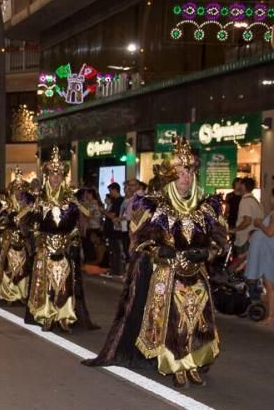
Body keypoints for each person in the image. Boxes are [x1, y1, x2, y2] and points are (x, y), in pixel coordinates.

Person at [84, 138, 226, 387]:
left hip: (196, 276)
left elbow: (219, 241)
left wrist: (207, 253)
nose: (186, 178)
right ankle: (175, 364)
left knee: (196, 321)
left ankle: (192, 362)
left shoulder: (206, 207)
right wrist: (159, 250)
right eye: (181, 173)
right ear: (171, 177)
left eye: (189, 172)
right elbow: (139, 241)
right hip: (167, 276)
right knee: (172, 321)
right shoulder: (154, 206)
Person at [21, 147, 97, 332]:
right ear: (47, 175)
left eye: (59, 174)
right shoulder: (39, 198)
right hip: (45, 247)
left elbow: (83, 217)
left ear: (63, 177)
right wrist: (37, 239)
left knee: (65, 282)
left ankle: (65, 316)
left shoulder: (71, 198)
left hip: (65, 246)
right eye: (52, 174)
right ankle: (46, 316)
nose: (56, 178)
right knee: (44, 282)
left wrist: (74, 241)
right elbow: (27, 220)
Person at [0, 170, 35, 305]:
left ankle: (22, 293)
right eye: (16, 190)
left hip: (23, 241)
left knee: (24, 267)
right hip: (9, 240)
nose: (19, 192)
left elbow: (32, 222)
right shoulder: (8, 205)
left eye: (21, 190)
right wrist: (5, 222)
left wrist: (27, 227)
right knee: (8, 266)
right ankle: (9, 294)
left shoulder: (28, 206)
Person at [245, 187, 274, 325]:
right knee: (270, 286)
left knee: (269, 287)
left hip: (269, 252)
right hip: (269, 250)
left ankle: (270, 317)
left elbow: (269, 232)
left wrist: (259, 224)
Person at [232, 177, 262, 258]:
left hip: (245, 240)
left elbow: (247, 221)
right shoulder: (254, 200)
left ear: (244, 186)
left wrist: (234, 230)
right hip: (252, 239)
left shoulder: (245, 201)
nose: (238, 186)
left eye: (240, 184)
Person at [103, 182, 125, 276]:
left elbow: (112, 215)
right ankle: (113, 269)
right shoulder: (116, 201)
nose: (110, 193)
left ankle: (116, 271)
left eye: (110, 191)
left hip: (115, 231)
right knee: (112, 251)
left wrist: (103, 211)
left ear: (114, 190)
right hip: (111, 230)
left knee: (116, 251)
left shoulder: (119, 201)